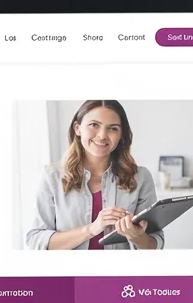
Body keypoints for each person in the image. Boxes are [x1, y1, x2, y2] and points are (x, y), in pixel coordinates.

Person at [25, 100, 163, 251]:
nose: (102, 135)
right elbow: (35, 240)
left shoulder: (141, 178)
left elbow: (154, 245)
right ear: (77, 128)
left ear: (121, 135)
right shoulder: (52, 177)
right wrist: (91, 229)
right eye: (94, 125)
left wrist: (136, 236)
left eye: (113, 128)